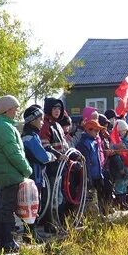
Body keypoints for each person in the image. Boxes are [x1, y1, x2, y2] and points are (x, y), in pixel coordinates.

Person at [0, 95, 32, 252]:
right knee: (7, 209)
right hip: (10, 175)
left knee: (6, 208)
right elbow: (14, 153)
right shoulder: (4, 127)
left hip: (8, 174)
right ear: (7, 110)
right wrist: (26, 169)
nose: (16, 111)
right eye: (14, 108)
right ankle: (7, 243)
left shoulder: (4, 125)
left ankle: (8, 241)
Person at [21, 105, 55, 242]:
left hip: (35, 176)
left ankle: (30, 233)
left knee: (32, 205)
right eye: (40, 119)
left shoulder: (31, 135)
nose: (42, 122)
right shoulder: (30, 137)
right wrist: (51, 156)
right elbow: (42, 157)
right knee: (33, 205)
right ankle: (31, 234)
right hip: (33, 177)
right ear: (32, 120)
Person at [39, 98, 69, 232]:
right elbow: (45, 146)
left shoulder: (57, 125)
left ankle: (57, 222)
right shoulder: (45, 125)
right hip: (51, 168)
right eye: (54, 108)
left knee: (58, 196)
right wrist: (58, 155)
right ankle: (49, 224)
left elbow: (64, 146)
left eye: (59, 108)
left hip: (60, 167)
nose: (57, 111)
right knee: (50, 196)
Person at [76, 119, 107, 215]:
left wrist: (100, 173)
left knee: (98, 197)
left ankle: (99, 214)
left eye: (98, 131)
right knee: (88, 199)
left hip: (97, 175)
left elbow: (97, 160)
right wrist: (88, 177)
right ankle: (87, 216)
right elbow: (85, 162)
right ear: (88, 130)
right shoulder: (84, 144)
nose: (98, 133)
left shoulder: (94, 142)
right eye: (96, 130)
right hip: (89, 176)